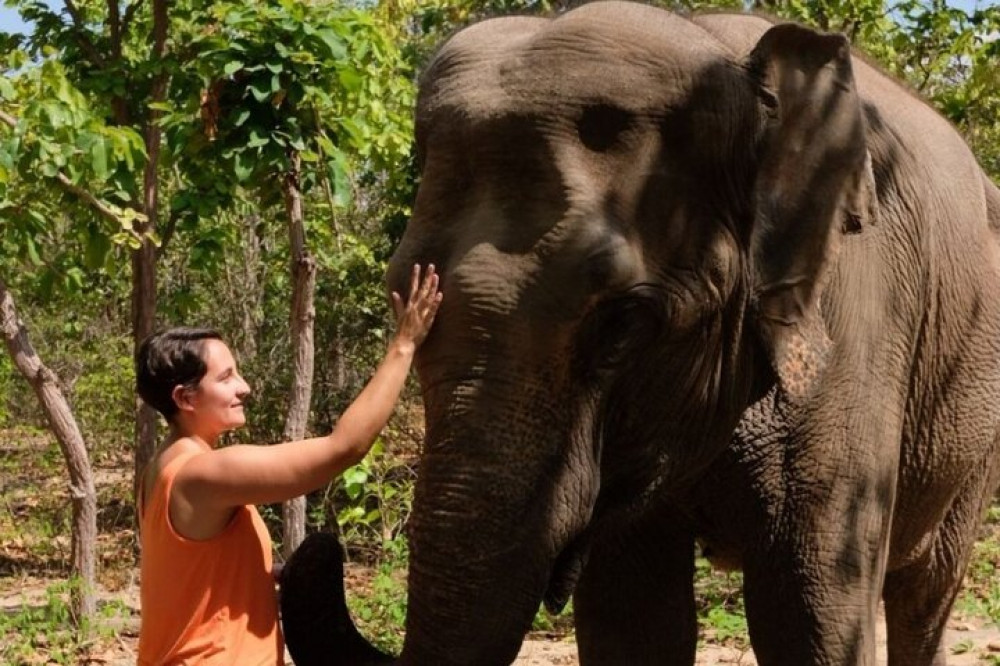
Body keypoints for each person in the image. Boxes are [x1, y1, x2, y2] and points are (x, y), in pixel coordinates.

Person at [133, 264, 442, 665]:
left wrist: (257, 576)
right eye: (226, 378)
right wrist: (404, 344)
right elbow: (344, 448)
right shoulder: (204, 474)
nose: (244, 387)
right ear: (185, 398)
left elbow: (191, 576)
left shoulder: (160, 469)